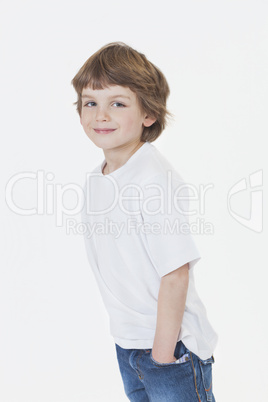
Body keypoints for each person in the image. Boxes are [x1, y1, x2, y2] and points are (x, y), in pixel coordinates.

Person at [72, 42, 218, 401]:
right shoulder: (99, 179)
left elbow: (175, 272)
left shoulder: (152, 180)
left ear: (148, 114)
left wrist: (162, 354)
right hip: (129, 343)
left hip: (170, 349)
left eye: (117, 103)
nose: (100, 115)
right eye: (90, 102)